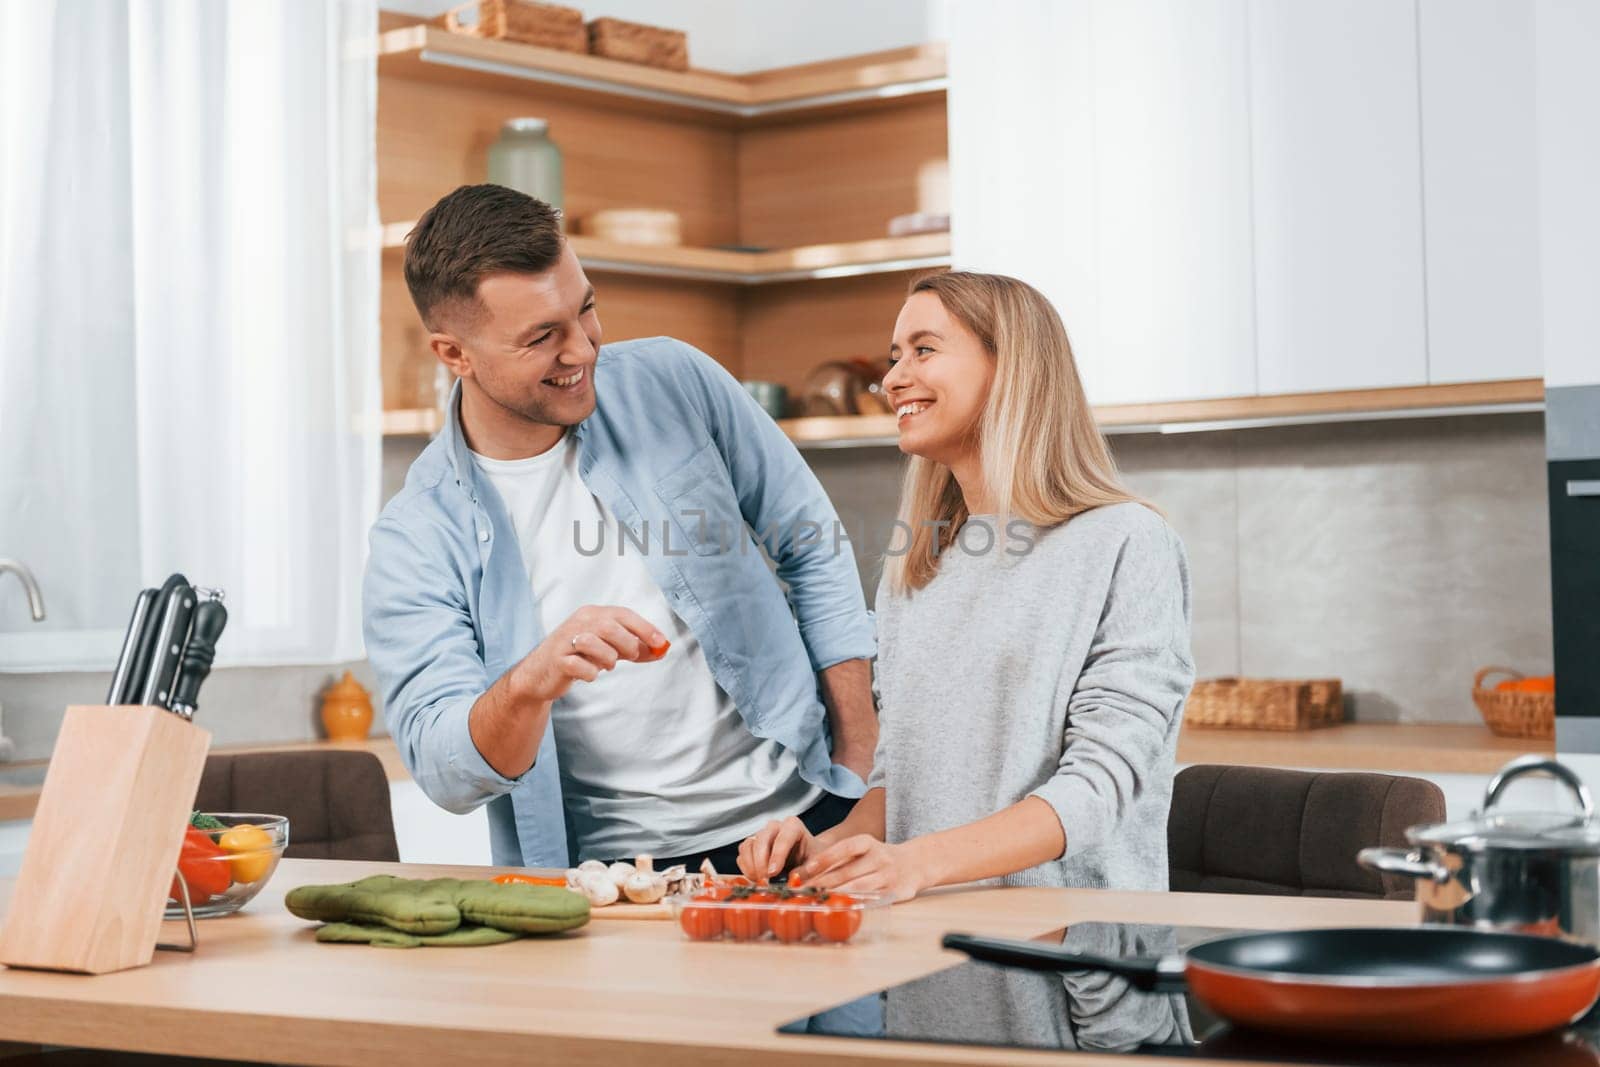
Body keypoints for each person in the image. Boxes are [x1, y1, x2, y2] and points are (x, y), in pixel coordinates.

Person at [364, 185, 877, 871]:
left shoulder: (675, 381)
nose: (582, 350)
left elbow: (811, 541)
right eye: (543, 336)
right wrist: (530, 679)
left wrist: (857, 768)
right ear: (454, 354)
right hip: (621, 883)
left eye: (586, 310)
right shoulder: (415, 536)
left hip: (807, 821)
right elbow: (445, 767)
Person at [738, 271, 1193, 898]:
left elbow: (1102, 784)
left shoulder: (1124, 542)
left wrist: (917, 864)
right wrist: (826, 849)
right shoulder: (917, 565)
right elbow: (903, 780)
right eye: (896, 356)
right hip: (933, 959)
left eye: (924, 350)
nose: (894, 378)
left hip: (1067, 959)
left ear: (1012, 368)